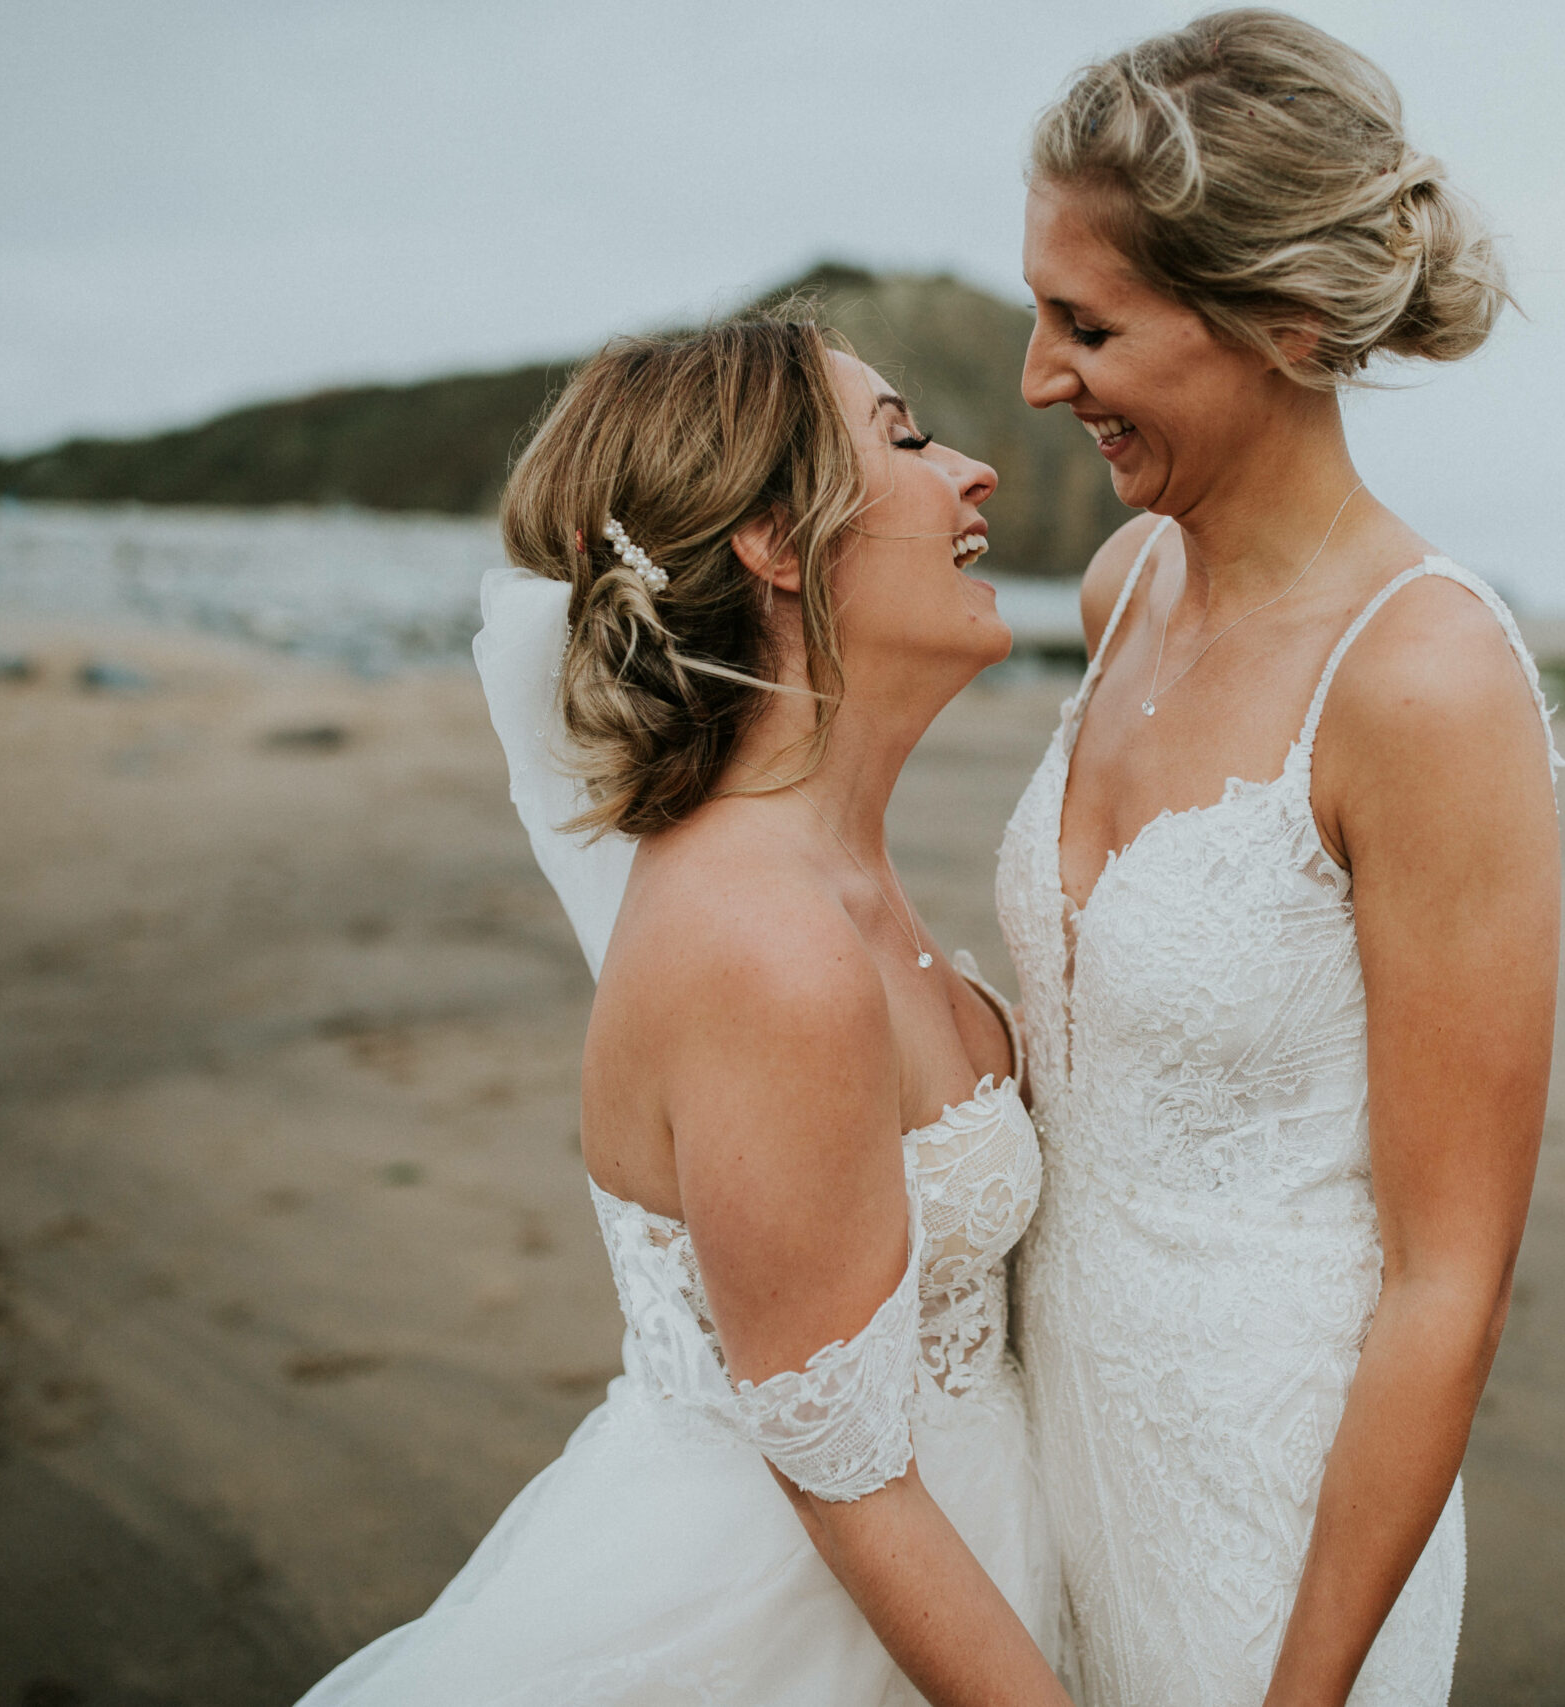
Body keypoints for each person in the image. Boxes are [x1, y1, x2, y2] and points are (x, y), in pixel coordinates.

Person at [297, 315, 1071, 1706]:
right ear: (775, 543)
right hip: (791, 1630)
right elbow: (847, 1483)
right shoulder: (763, 945)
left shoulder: (829, 870)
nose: (974, 473)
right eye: (903, 438)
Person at [995, 12, 1563, 1706]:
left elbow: (1451, 1274)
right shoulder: (1122, 592)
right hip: (1043, 1460)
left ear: (1282, 325)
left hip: (1274, 1524)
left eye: (1084, 324)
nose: (1036, 378)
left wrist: (1305, 1686)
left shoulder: (1423, 679)